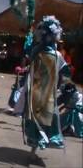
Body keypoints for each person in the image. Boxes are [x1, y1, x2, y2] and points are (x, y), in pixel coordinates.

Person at [20, 16, 71, 160]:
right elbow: (65, 74)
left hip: (35, 94)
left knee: (35, 121)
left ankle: (34, 149)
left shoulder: (36, 51)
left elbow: (27, 50)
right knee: (46, 120)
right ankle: (35, 149)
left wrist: (29, 34)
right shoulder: (57, 55)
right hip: (48, 95)